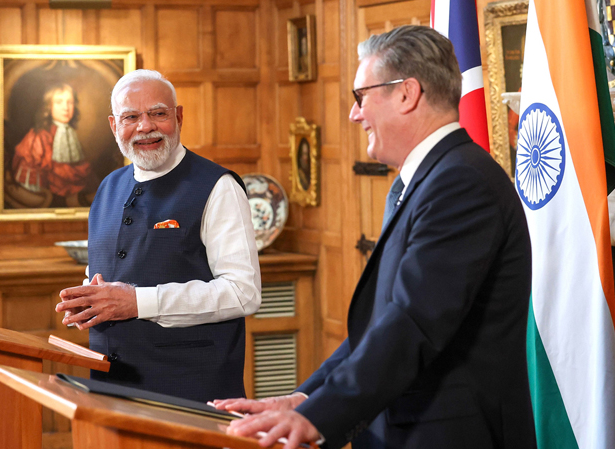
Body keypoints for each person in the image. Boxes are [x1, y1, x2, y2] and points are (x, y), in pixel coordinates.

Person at [213, 25, 536, 449]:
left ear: (407, 94)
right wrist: (304, 399)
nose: (354, 114)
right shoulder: (424, 180)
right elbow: (382, 324)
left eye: (361, 96)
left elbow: (411, 322)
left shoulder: (461, 183)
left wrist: (318, 417)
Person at [55, 69, 262, 402]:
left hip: (191, 393)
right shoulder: (107, 187)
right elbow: (110, 273)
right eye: (131, 117)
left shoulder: (218, 187)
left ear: (178, 117)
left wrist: (137, 302)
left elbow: (243, 293)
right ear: (114, 126)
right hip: (109, 390)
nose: (145, 126)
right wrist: (90, 301)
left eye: (158, 114)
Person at [12, 82, 91, 204]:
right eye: (59, 102)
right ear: (49, 107)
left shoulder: (70, 133)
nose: (66, 108)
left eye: (70, 102)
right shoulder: (38, 137)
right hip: (43, 194)